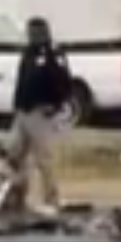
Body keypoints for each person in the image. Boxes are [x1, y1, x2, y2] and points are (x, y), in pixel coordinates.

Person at [9, 17, 74, 212]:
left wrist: (56, 105)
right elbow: (21, 80)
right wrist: (16, 105)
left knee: (44, 158)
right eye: (30, 32)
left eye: (35, 32)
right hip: (23, 111)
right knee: (14, 155)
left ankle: (51, 198)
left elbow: (65, 82)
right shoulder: (28, 53)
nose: (32, 36)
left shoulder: (54, 53)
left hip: (41, 111)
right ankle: (17, 196)